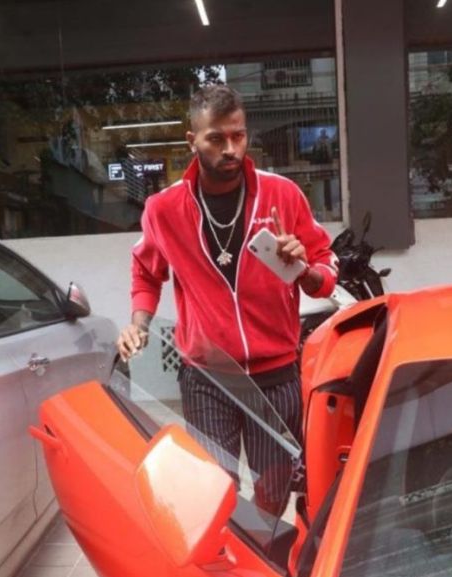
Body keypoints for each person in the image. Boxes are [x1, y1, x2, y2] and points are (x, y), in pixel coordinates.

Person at [116, 84, 338, 516]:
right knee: (217, 493)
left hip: (276, 378)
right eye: (217, 138)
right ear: (192, 141)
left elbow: (325, 265)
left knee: (274, 498)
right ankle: (229, 573)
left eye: (238, 135)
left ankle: (271, 576)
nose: (231, 148)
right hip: (207, 378)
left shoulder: (282, 195)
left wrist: (305, 270)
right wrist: (138, 325)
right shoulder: (164, 209)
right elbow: (146, 271)